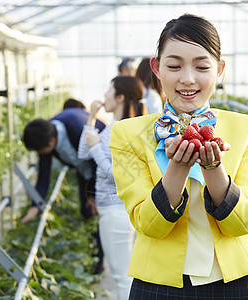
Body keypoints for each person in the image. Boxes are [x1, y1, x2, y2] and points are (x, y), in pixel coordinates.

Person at [110, 14, 248, 299]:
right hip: (158, 285)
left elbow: (243, 222)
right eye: (174, 66)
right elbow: (148, 225)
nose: (187, 79)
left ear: (219, 70)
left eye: (202, 66)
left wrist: (213, 168)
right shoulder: (126, 134)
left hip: (233, 283)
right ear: (157, 68)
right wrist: (177, 169)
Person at [78, 76, 145, 300]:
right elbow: (83, 153)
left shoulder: (124, 131)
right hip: (112, 209)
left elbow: (119, 174)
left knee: (122, 276)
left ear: (120, 97)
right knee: (122, 273)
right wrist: (90, 119)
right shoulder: (111, 127)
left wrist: (96, 147)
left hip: (118, 210)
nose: (104, 95)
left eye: (109, 90)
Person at [22, 102, 106, 273]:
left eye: (40, 151)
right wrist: (34, 206)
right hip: (85, 170)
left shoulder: (76, 130)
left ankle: (99, 263)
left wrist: (94, 196)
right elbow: (43, 176)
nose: (41, 154)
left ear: (52, 141)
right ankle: (95, 259)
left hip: (104, 164)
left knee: (100, 212)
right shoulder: (46, 135)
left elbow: (98, 161)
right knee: (87, 212)